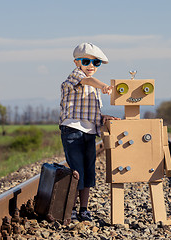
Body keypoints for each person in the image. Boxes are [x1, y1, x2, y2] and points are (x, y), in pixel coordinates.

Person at [59, 42, 120, 221]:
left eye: (96, 63)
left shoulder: (94, 88)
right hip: (72, 131)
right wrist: (102, 86)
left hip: (89, 132)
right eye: (86, 62)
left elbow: (89, 112)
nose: (91, 66)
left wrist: (104, 117)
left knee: (88, 171)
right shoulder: (75, 76)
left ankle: (83, 209)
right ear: (76, 62)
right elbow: (87, 80)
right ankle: (70, 208)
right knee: (77, 171)